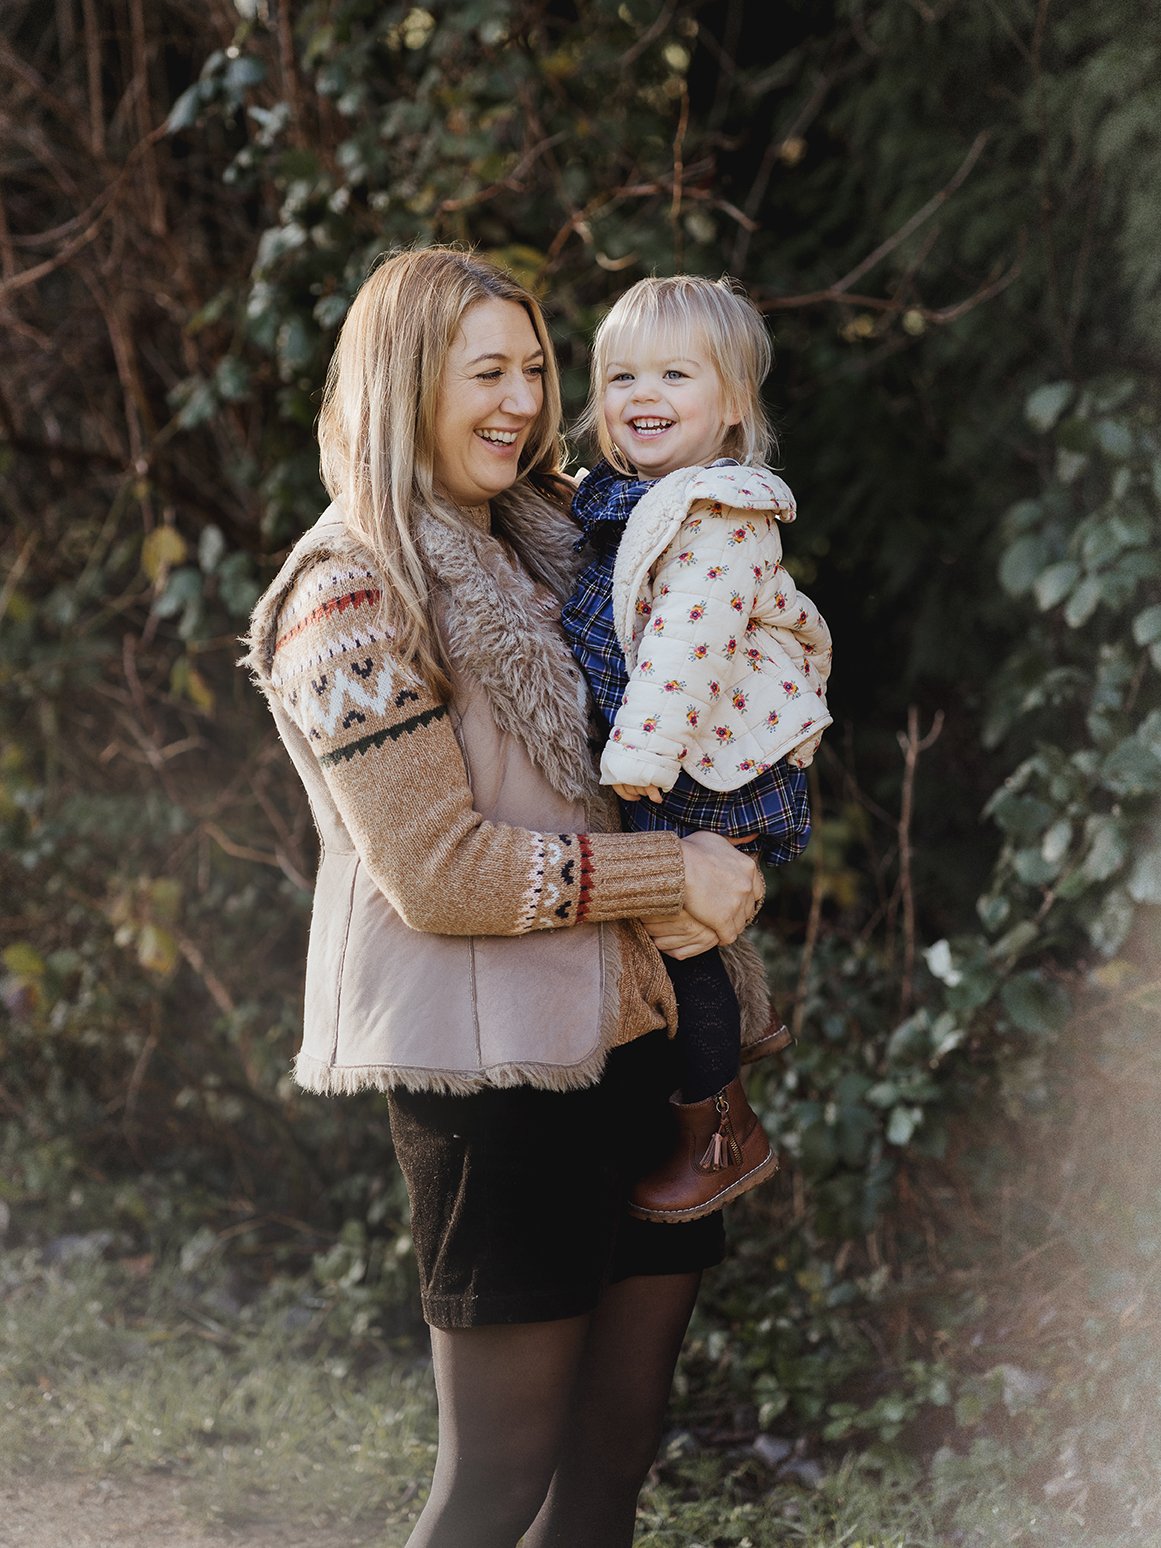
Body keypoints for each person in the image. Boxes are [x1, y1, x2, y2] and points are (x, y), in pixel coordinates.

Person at [242, 246, 775, 1548]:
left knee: (611, 1461)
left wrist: (742, 824)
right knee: (498, 1482)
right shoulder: (349, 591)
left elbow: (708, 696)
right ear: (405, 382)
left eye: (536, 369)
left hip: (637, 1039)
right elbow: (438, 870)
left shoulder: (567, 542)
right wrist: (672, 873)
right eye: (487, 373)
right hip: (492, 1081)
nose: (525, 403)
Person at [562, 274, 833, 1224]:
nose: (644, 395)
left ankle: (721, 1131)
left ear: (732, 406)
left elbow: (686, 648)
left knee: (680, 945)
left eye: (675, 375)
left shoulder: (719, 516)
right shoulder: (637, 499)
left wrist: (638, 762)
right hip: (682, 757)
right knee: (673, 939)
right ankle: (720, 1060)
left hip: (698, 770)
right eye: (622, 376)